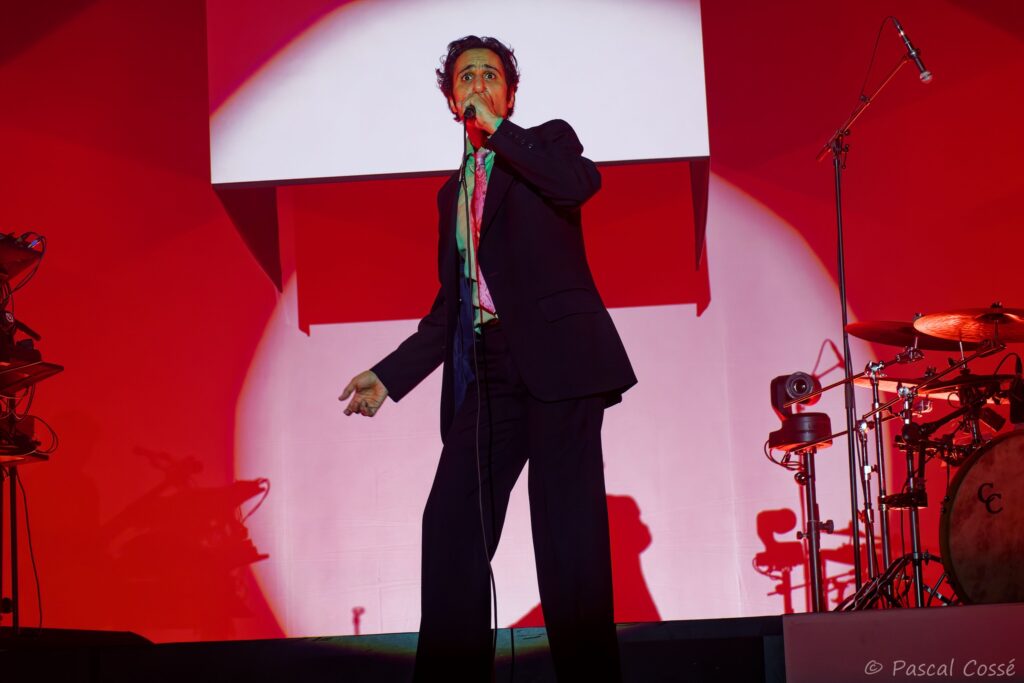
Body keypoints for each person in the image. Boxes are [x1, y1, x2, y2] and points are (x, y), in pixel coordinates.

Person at [340, 35, 636, 682]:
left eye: (490, 75)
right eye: (466, 77)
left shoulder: (546, 144)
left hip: (562, 364)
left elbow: (580, 184)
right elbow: (452, 303)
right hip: (491, 366)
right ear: (451, 101)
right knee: (451, 523)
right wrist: (390, 375)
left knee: (567, 536)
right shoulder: (450, 194)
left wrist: (502, 134)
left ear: (509, 93)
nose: (477, 83)